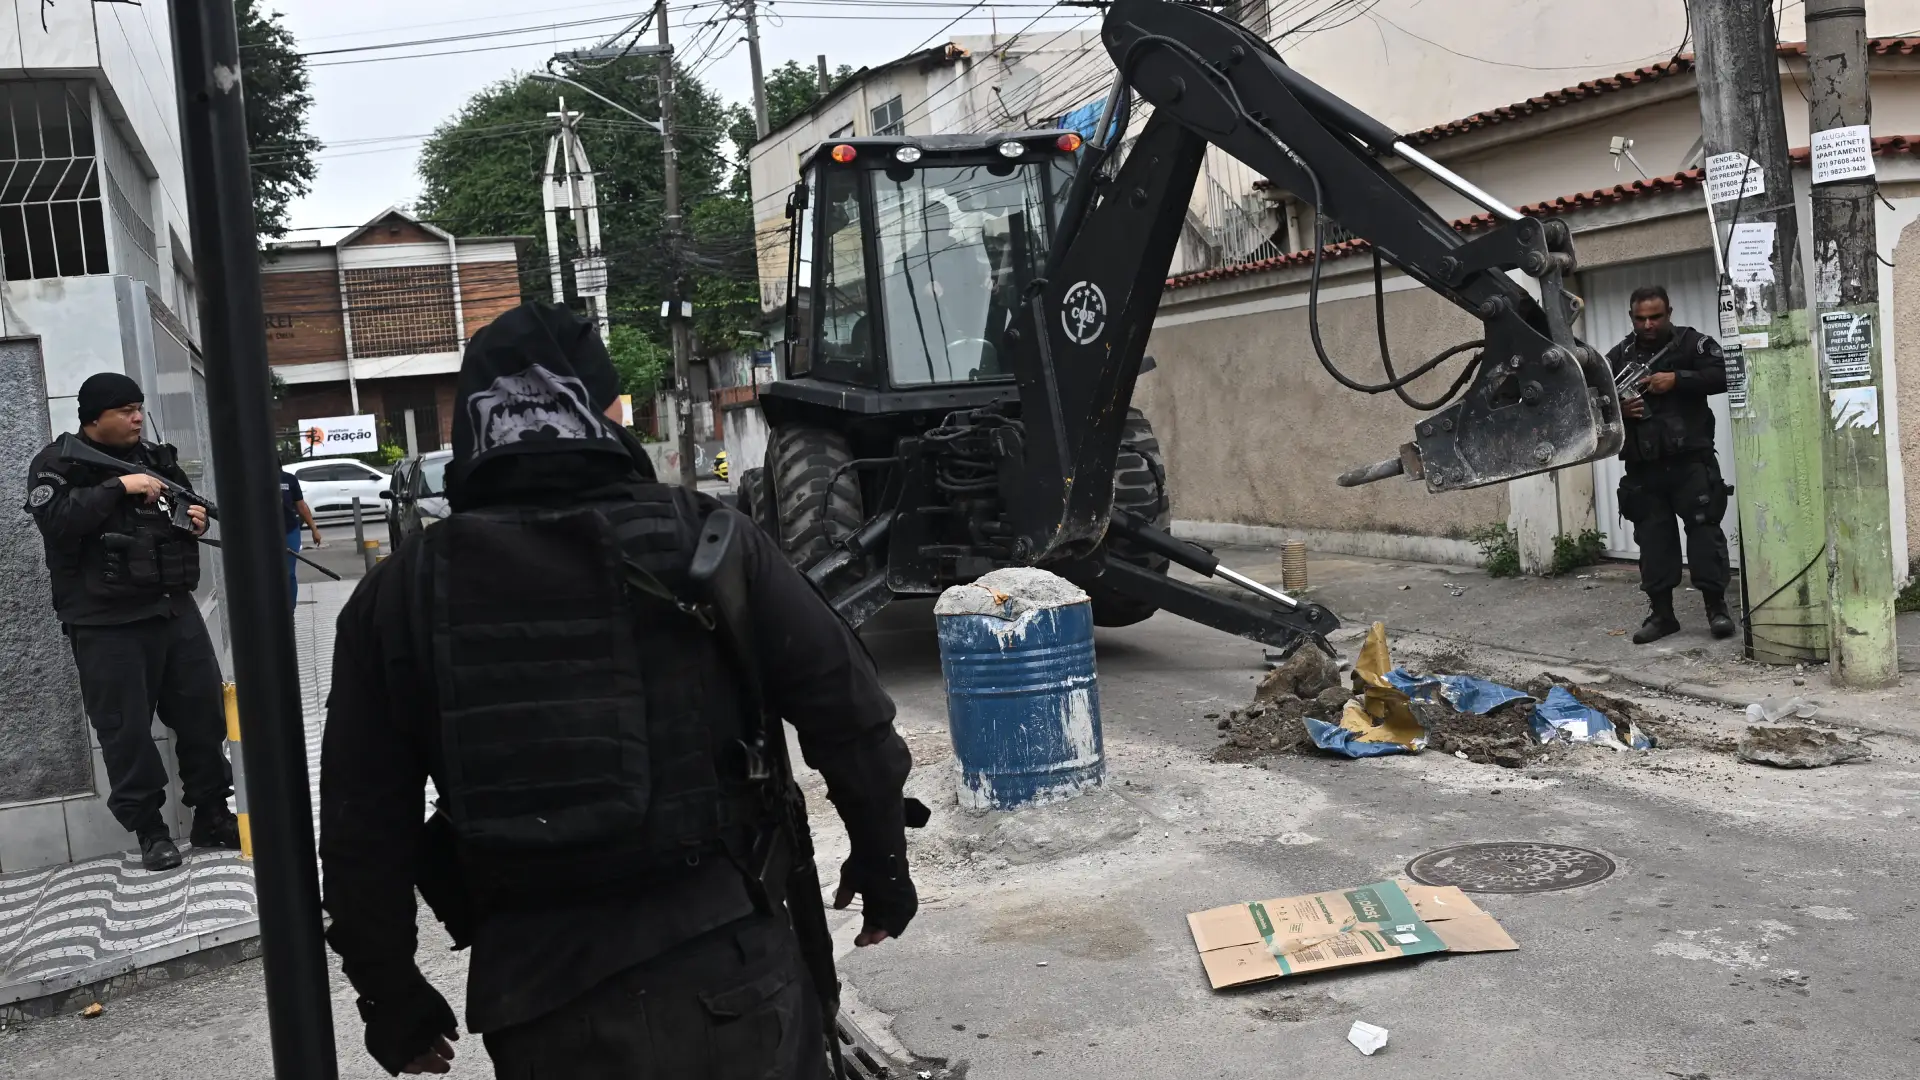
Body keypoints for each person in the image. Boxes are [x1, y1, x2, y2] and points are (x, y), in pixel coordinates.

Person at [319, 302, 917, 1078]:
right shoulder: (705, 536)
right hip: (727, 964)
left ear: (473, 423)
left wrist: (389, 994)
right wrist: (883, 864)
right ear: (602, 411)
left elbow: (362, 826)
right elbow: (852, 717)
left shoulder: (398, 594)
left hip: (539, 1001)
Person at [23, 373, 241, 872]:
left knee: (203, 716)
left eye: (139, 408)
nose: (137, 418)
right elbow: (57, 523)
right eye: (125, 410)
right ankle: (151, 831)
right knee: (126, 731)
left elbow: (185, 508)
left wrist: (194, 519)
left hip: (171, 610)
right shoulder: (57, 465)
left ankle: (211, 813)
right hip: (107, 624)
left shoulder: (154, 458)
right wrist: (119, 486)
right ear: (93, 417)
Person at [1606, 285, 1735, 645]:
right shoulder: (1619, 356)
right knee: (1654, 542)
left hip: (1690, 465)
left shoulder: (1692, 344)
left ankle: (1717, 609)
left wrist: (1678, 379)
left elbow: (1727, 374)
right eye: (1640, 318)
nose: (1648, 324)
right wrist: (1619, 409)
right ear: (1632, 317)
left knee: (1704, 536)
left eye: (1655, 317)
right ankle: (1662, 616)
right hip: (1645, 470)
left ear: (1669, 313)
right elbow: (1592, 401)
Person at [280, 469, 323, 609]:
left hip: (289, 530)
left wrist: (314, 529)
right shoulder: (256, 479)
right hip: (265, 534)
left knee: (288, 572)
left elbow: (301, 507)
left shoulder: (289, 479)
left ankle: (289, 611)